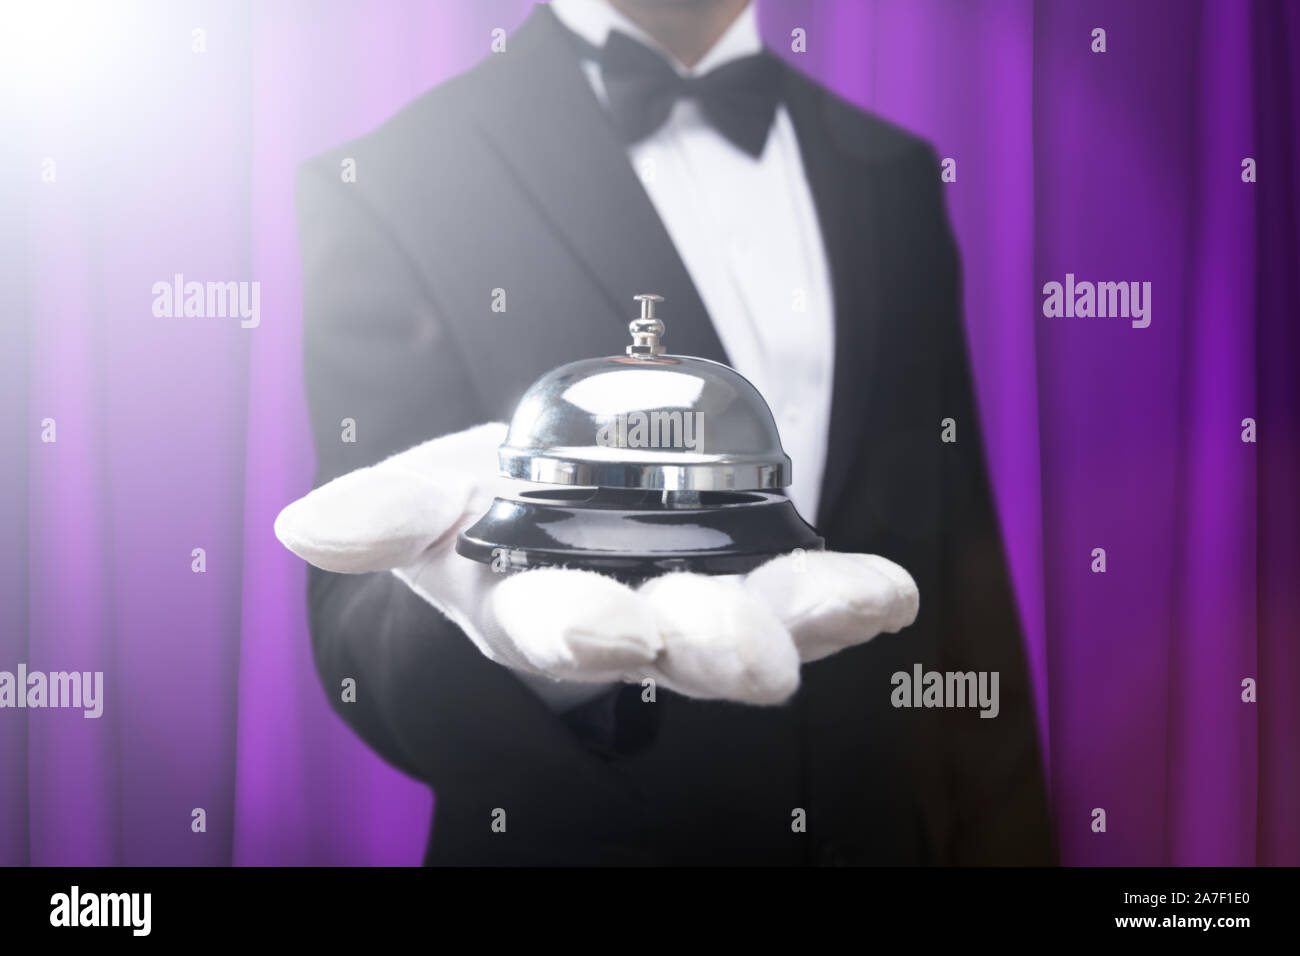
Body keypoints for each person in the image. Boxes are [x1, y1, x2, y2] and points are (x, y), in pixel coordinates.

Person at [287, 0, 1053, 865]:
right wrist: (500, 633)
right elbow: (360, 616)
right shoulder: (392, 179)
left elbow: (961, 577)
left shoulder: (890, 173)